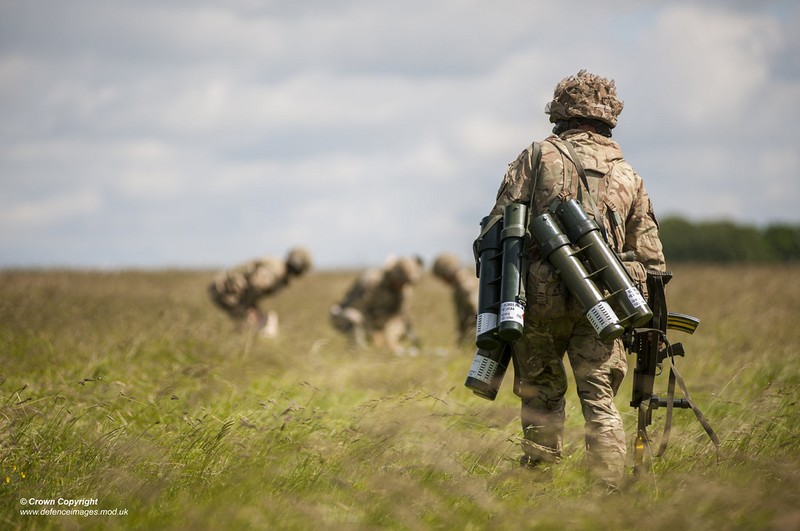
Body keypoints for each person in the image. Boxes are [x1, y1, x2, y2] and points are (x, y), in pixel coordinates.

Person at [484, 70, 666, 489]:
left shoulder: (536, 156)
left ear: (561, 113)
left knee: (541, 396)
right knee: (600, 399)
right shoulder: (628, 174)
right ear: (609, 117)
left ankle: (538, 487)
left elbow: (498, 228)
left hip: (538, 300)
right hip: (606, 302)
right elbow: (651, 259)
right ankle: (606, 491)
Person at [208, 246, 312, 337]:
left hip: (231, 292)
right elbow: (255, 285)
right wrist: (249, 309)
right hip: (226, 291)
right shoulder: (277, 270)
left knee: (253, 323)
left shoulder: (279, 269)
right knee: (251, 325)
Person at [329, 256, 423, 354]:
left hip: (377, 321)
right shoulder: (372, 280)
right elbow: (359, 308)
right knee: (355, 318)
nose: (402, 286)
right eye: (401, 282)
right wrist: (374, 333)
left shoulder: (403, 290)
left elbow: (400, 315)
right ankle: (359, 354)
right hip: (347, 315)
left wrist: (392, 338)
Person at [431, 253, 479, 345]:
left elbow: (476, 311)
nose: (443, 282)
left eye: (442, 277)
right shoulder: (463, 283)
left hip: (476, 336)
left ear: (447, 273)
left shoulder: (465, 286)